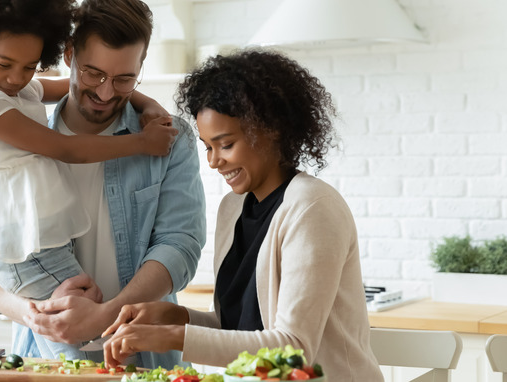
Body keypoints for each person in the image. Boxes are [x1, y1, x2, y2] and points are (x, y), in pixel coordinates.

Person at [0, 0, 179, 359]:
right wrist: (140, 143)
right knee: (79, 339)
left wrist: (147, 101)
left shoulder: (20, 89)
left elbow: (71, 87)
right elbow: (65, 149)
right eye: (5, 64)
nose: (18, 77)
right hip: (24, 244)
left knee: (82, 331)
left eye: (30, 65)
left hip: (45, 242)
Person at [100, 49, 384, 382]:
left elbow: (292, 350)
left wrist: (173, 337)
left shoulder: (312, 208)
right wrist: (174, 317)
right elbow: (237, 329)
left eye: (226, 144)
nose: (213, 161)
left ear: (272, 129)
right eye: (208, 146)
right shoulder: (233, 209)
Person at [0, 0, 206, 369]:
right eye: (93, 73)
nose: (104, 92)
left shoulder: (168, 140)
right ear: (69, 56)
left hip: (146, 360)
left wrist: (107, 315)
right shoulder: (11, 139)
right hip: (41, 361)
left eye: (124, 79)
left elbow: (180, 246)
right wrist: (34, 314)